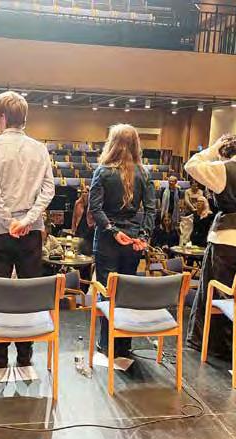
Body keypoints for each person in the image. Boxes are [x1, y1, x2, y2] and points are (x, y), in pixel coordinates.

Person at [0, 90, 55, 368]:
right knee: (28, 294)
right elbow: (49, 190)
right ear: (24, 117)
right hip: (31, 231)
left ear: (2, 118)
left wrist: (8, 222)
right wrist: (27, 221)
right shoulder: (40, 148)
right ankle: (25, 353)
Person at [184, 134, 236, 357]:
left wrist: (213, 149)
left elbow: (191, 165)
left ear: (224, 153)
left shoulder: (223, 169)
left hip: (226, 239)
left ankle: (215, 345)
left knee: (216, 292)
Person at [89, 123, 156, 358]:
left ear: (112, 143)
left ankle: (107, 343)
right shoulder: (144, 173)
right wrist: (144, 237)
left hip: (108, 240)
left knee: (108, 292)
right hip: (134, 240)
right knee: (126, 292)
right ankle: (123, 345)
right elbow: (151, 210)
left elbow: (95, 209)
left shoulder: (102, 171)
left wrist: (112, 230)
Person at [71, 186, 95, 256]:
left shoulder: (93, 203)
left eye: (86, 192)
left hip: (89, 226)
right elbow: (74, 216)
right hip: (80, 225)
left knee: (87, 245)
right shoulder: (77, 203)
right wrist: (73, 228)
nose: (84, 194)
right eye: (83, 192)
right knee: (79, 244)